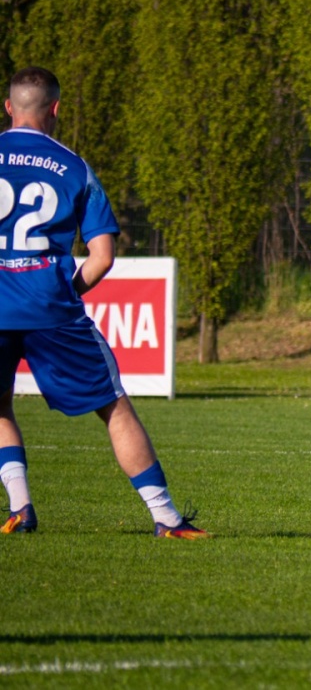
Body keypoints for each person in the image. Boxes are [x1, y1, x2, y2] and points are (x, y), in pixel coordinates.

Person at [0, 66, 209, 538]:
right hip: (50, 305)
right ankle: (167, 518)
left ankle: (20, 509)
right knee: (114, 407)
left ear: (9, 107)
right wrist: (62, 291)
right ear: (55, 109)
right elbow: (102, 257)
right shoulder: (74, 167)